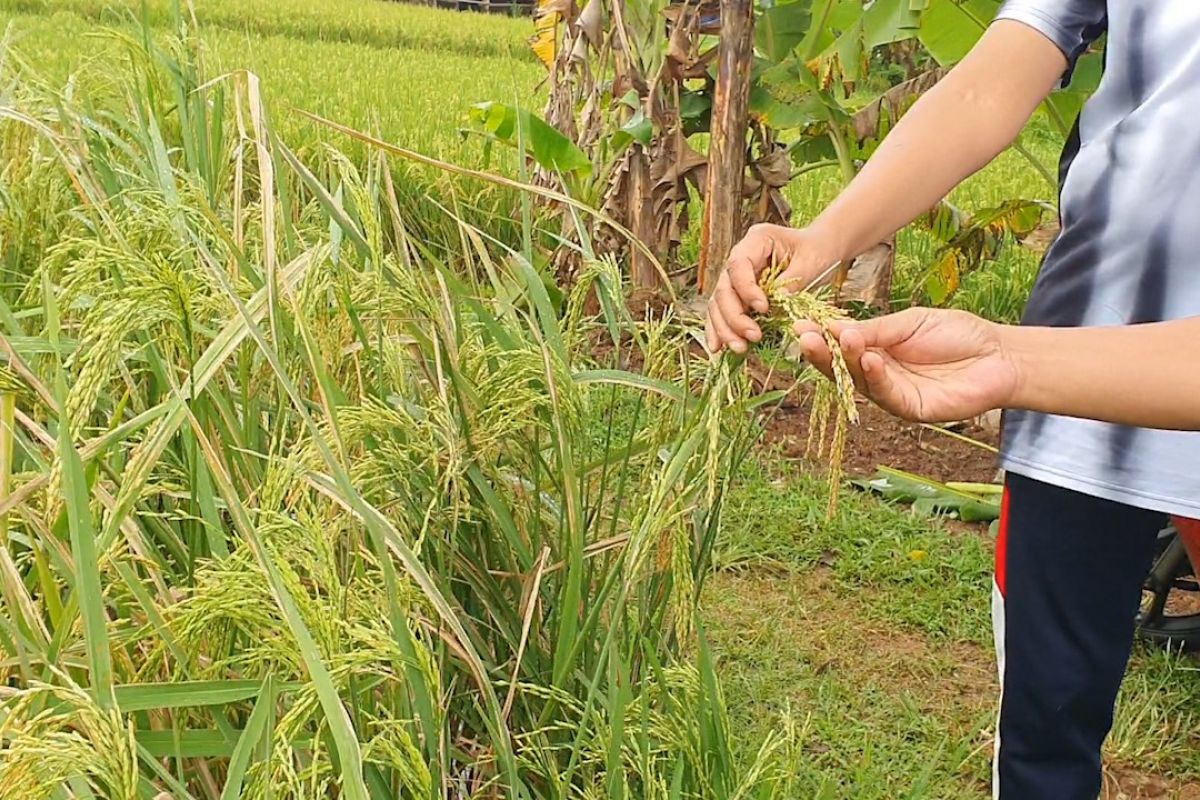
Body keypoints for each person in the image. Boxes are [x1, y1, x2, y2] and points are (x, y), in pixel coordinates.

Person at [705, 2, 1200, 798]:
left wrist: (1008, 358)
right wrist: (824, 239)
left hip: (1057, 371)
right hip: (1073, 390)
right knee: (1043, 743)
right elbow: (986, 87)